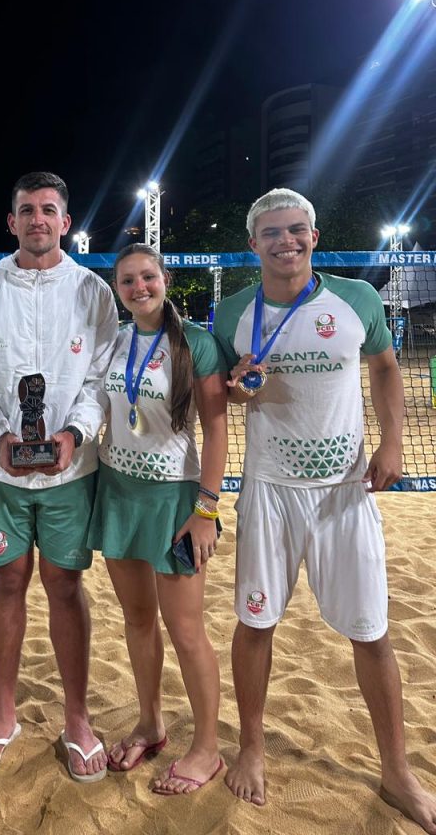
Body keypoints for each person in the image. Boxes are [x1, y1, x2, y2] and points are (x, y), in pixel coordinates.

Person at [213, 187, 436, 834]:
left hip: (345, 490)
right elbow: (222, 393)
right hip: (269, 490)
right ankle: (252, 747)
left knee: (372, 632)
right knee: (255, 623)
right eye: (272, 233)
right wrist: (235, 389)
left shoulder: (357, 299)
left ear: (313, 236)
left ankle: (397, 771)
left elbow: (386, 368)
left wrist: (392, 442)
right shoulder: (233, 313)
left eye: (296, 230)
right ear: (253, 244)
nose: (285, 241)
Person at [0, 170, 118, 781]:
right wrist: (0, 434)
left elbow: (101, 381)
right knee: (8, 581)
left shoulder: (94, 292)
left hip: (72, 472)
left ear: (65, 222)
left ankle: (77, 718)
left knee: (65, 586)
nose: (38, 219)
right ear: (11, 221)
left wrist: (74, 434)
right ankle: (3, 715)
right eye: (27, 210)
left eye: (49, 210)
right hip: (2, 471)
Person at [87, 243, 228, 794]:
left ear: (165, 279)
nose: (138, 287)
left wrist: (206, 510)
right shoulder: (115, 341)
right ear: (117, 289)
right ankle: (151, 723)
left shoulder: (195, 343)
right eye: (127, 280)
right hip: (118, 491)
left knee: (186, 630)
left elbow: (217, 430)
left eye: (147, 276)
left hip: (175, 499)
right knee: (138, 620)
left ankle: (207, 748)